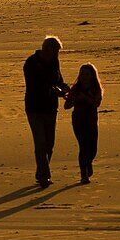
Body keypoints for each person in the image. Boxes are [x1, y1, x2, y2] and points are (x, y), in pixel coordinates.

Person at [23, 35, 69, 188]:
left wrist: (65, 89)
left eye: (57, 52)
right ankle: (44, 176)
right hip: (34, 108)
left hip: (50, 108)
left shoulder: (54, 61)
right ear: (46, 49)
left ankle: (41, 171)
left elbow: (58, 80)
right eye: (54, 52)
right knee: (41, 142)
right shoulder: (31, 63)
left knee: (49, 143)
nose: (56, 55)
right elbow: (35, 86)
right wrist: (54, 90)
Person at [64, 63, 103, 184]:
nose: (84, 76)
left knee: (92, 148)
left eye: (87, 74)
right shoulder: (76, 88)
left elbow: (97, 103)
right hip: (78, 121)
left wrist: (84, 98)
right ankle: (83, 174)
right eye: (82, 74)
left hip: (91, 121)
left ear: (92, 75)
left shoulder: (96, 88)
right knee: (83, 146)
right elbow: (67, 106)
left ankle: (88, 163)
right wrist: (72, 98)